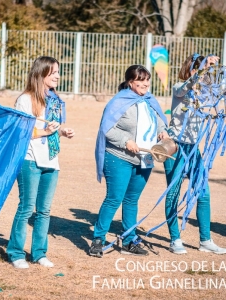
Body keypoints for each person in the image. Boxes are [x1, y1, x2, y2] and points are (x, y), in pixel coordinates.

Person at [90, 65, 169, 258]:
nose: (145, 84)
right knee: (114, 198)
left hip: (145, 157)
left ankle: (128, 240)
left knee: (132, 200)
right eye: (140, 80)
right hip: (119, 157)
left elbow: (159, 120)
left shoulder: (149, 100)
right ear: (130, 82)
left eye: (147, 80)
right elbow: (107, 129)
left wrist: (162, 130)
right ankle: (98, 240)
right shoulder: (119, 101)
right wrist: (126, 141)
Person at [6, 56, 75, 269]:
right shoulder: (25, 100)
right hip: (30, 160)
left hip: (51, 161)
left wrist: (63, 131)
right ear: (41, 73)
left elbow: (54, 129)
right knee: (27, 208)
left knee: (44, 210)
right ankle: (16, 253)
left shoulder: (54, 100)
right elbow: (20, 132)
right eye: (53, 72)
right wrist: (45, 131)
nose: (57, 76)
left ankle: (39, 253)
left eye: (58, 72)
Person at [164, 53, 226, 254]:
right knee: (173, 193)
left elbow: (220, 94)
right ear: (189, 70)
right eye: (198, 69)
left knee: (203, 194)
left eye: (206, 71)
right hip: (174, 147)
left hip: (194, 151)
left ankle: (205, 240)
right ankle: (175, 239)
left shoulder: (205, 95)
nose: (203, 75)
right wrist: (201, 70)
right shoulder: (178, 89)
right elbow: (186, 87)